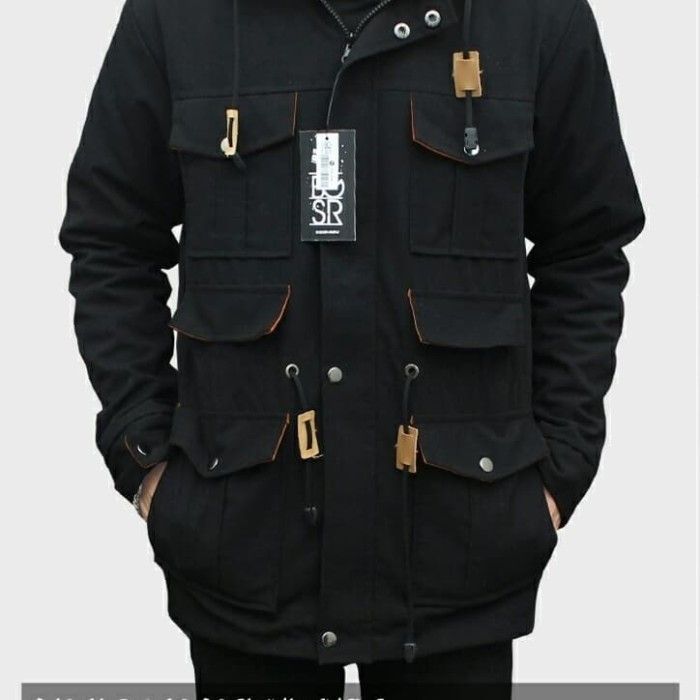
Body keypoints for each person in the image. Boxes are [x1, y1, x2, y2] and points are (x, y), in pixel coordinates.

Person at [59, 0, 644, 697]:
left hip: (462, 554)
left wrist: (559, 469)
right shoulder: (175, 16)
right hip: (241, 547)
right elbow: (112, 241)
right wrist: (146, 459)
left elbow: (586, 248)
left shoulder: (537, 17)